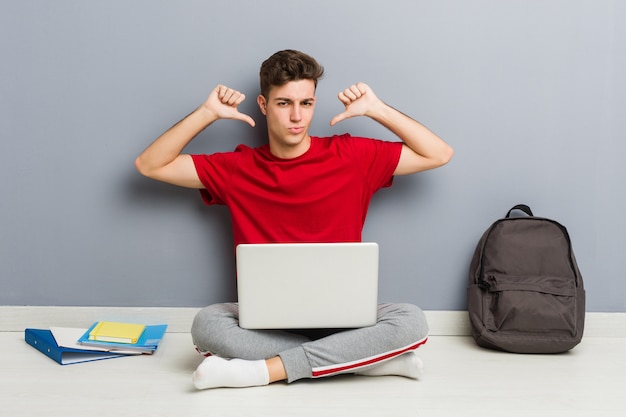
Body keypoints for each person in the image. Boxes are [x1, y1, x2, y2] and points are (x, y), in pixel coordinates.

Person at [135, 50, 453, 389]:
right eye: (284, 103)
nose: (297, 116)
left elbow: (438, 153)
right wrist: (207, 113)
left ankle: (263, 371)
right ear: (263, 104)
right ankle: (363, 361)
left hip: (344, 319)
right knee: (207, 324)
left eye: (307, 103)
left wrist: (377, 109)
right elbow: (150, 165)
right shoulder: (236, 168)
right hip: (267, 323)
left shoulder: (353, 156)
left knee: (411, 320)